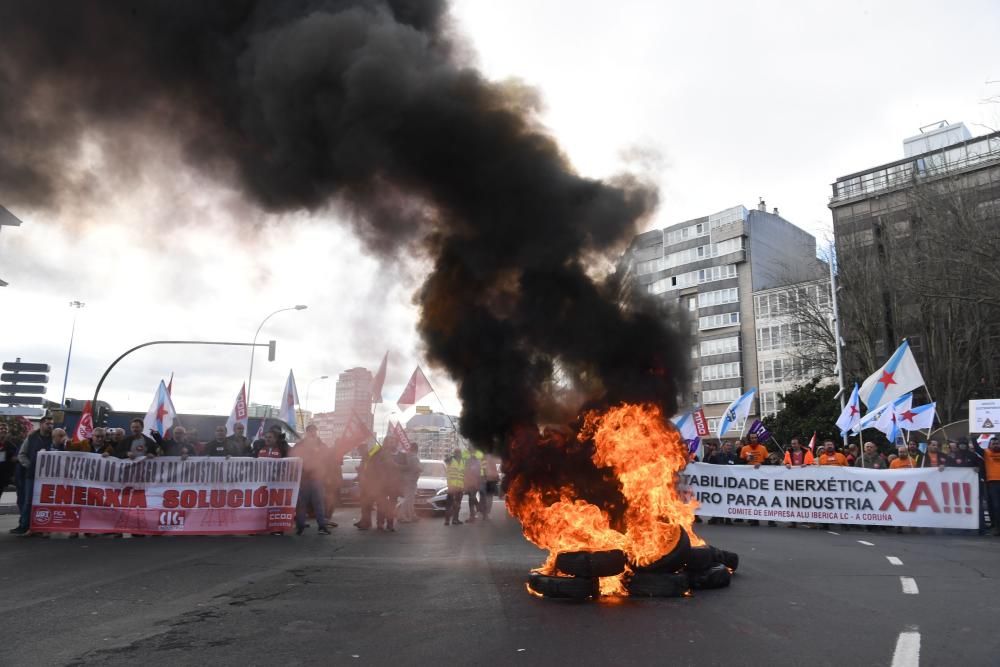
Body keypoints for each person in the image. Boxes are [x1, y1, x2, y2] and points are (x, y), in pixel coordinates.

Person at [11, 416, 55, 535]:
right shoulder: (31, 438)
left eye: (52, 424)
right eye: (47, 423)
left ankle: (42, 527)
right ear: (41, 424)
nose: (50, 426)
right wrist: (30, 466)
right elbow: (22, 455)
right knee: (28, 501)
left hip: (49, 477)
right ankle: (24, 525)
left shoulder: (54, 438)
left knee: (46, 502)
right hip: (31, 475)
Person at [292, 432, 330, 536]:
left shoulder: (318, 448)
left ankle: (305, 526)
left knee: (308, 504)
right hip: (308, 480)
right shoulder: (302, 448)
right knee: (312, 504)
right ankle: (314, 526)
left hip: (313, 479)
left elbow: (326, 459)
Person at [396, 443, 422, 523]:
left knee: (410, 500)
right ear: (416, 449)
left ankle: (412, 516)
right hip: (411, 480)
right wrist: (421, 469)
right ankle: (401, 516)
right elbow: (415, 469)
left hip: (407, 480)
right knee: (408, 499)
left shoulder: (407, 456)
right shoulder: (414, 457)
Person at [981, 437, 1000, 536]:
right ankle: (996, 527)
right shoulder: (986, 453)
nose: (996, 445)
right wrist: (974, 434)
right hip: (992, 483)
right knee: (995, 506)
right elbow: (976, 448)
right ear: (989, 445)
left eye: (997, 443)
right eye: (994, 444)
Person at [444, 449, 465, 526]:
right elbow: (445, 460)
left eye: (459, 453)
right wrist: (450, 457)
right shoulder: (451, 460)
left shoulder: (463, 462)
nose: (458, 454)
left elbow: (464, 475)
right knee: (449, 504)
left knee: (457, 504)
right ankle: (447, 520)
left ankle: (455, 520)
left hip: (460, 486)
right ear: (454, 453)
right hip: (452, 486)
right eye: (456, 453)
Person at [463, 449, 482, 522]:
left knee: (471, 499)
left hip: (473, 483)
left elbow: (475, 473)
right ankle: (478, 508)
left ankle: (472, 516)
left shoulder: (476, 462)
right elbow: (466, 472)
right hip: (471, 483)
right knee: (471, 498)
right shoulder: (470, 461)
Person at [0, 422, 20, 490]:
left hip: (3, 476)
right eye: (1, 428)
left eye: (5, 429)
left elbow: (15, 459)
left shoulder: (11, 446)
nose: (4, 430)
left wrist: (15, 459)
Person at [481, 452, 502, 518]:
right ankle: (486, 512)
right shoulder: (486, 458)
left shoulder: (486, 458)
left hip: (489, 480)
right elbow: (483, 468)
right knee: (488, 497)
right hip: (488, 480)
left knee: (488, 497)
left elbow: (496, 469)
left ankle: (486, 512)